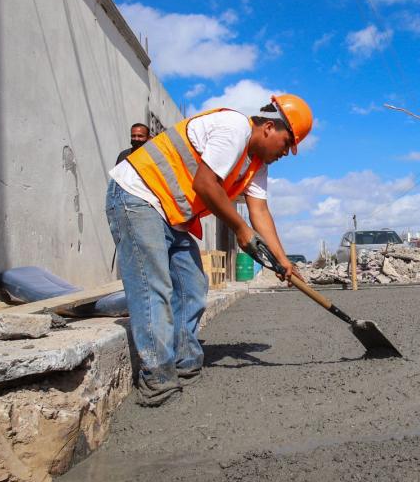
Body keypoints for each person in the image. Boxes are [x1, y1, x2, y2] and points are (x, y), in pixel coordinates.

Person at [105, 94, 312, 406]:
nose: (286, 153)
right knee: (153, 288)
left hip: (171, 213)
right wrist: (240, 229)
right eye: (287, 143)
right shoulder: (234, 127)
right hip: (137, 196)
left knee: (192, 286)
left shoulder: (256, 165)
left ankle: (184, 362)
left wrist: (283, 261)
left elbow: (259, 212)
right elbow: (205, 184)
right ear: (269, 127)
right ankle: (157, 380)